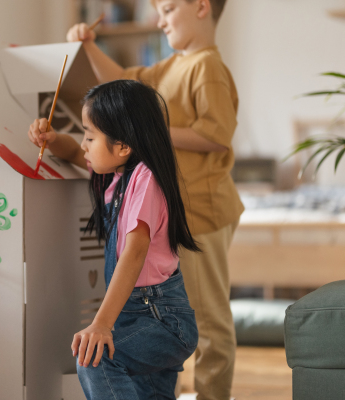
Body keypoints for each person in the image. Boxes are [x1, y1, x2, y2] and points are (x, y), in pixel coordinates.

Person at [66, 1, 243, 398]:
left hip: (204, 211)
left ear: (200, 6)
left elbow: (216, 135)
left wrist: (149, 130)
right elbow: (126, 82)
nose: (159, 19)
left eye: (166, 8)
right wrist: (91, 46)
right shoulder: (173, 64)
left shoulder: (207, 67)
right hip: (178, 213)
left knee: (210, 320)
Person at [28, 80, 200, 399]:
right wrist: (51, 139)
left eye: (90, 136)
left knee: (94, 359)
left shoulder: (145, 178)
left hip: (162, 318)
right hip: (140, 315)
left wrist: (101, 324)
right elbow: (75, 153)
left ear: (122, 146)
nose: (84, 144)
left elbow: (133, 254)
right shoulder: (121, 174)